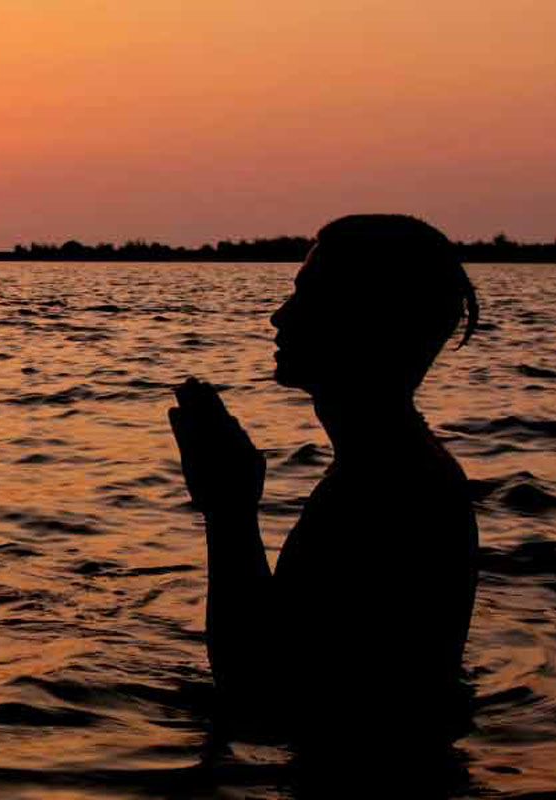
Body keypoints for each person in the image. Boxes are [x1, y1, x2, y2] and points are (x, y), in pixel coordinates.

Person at [169, 215, 480, 762]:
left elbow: (259, 692)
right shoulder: (387, 469)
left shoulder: (387, 493)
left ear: (368, 322)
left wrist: (229, 510)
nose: (278, 317)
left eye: (308, 298)